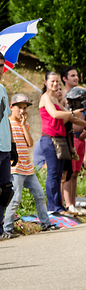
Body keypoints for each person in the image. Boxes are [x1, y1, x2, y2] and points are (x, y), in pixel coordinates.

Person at [3, 94, 59, 237]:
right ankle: (7, 229)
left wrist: (23, 126)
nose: (22, 111)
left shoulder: (24, 124)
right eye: (19, 108)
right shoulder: (8, 124)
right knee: (15, 199)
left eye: (24, 108)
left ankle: (46, 223)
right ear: (11, 108)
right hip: (15, 168)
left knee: (39, 195)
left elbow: (29, 143)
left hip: (27, 168)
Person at [39, 71, 84, 214]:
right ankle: (53, 207)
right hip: (49, 139)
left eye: (57, 81)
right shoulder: (46, 97)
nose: (55, 84)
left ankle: (59, 206)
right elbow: (56, 114)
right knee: (53, 174)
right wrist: (71, 113)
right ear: (45, 82)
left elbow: (69, 118)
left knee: (59, 174)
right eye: (52, 81)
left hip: (59, 139)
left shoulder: (55, 99)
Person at [61, 67, 86, 215]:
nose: (76, 78)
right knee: (67, 173)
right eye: (72, 75)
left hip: (81, 140)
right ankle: (67, 205)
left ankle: (72, 204)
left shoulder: (83, 95)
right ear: (64, 79)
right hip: (69, 138)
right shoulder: (63, 98)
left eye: (77, 75)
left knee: (75, 174)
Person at [0, 53, 19, 239]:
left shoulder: (2, 88)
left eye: (1, 65)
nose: (0, 69)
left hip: (5, 146)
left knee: (6, 190)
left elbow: (7, 119)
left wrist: (12, 145)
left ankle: (0, 230)